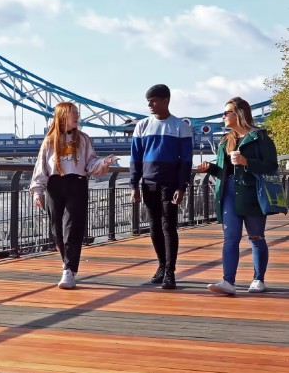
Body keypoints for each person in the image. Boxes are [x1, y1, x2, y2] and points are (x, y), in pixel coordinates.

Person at [30, 102, 118, 289]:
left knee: (72, 227)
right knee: (56, 230)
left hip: (77, 183)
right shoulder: (49, 140)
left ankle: (69, 270)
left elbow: (90, 163)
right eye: (73, 113)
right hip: (55, 184)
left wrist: (104, 162)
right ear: (62, 116)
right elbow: (41, 167)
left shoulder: (83, 139)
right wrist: (37, 191)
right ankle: (67, 264)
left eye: (77, 113)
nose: (77, 116)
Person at [195, 97, 277, 295]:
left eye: (226, 112)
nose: (223, 116)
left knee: (256, 236)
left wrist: (246, 161)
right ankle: (228, 281)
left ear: (239, 113)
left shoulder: (260, 138)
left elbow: (271, 166)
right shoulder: (226, 140)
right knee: (230, 238)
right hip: (229, 193)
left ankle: (258, 279)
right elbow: (223, 172)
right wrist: (210, 168)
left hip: (252, 192)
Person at [130, 84, 193, 290]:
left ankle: (170, 271)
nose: (150, 104)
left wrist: (182, 186)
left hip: (170, 183)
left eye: (154, 101)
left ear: (166, 100)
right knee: (154, 226)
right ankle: (161, 265)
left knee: (168, 226)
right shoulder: (142, 126)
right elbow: (135, 157)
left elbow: (186, 161)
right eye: (148, 101)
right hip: (148, 183)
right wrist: (134, 184)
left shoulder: (180, 126)